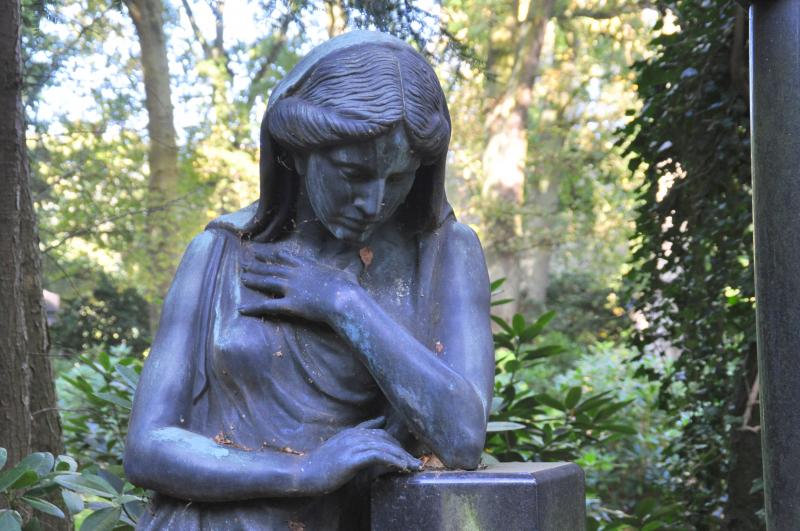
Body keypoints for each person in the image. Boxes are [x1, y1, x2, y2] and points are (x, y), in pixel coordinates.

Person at [124, 31, 494, 530]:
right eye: (352, 173)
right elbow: (147, 448)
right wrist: (302, 471)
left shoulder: (445, 254)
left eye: (398, 177)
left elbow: (462, 437)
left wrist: (343, 302)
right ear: (297, 152)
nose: (374, 202)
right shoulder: (219, 254)